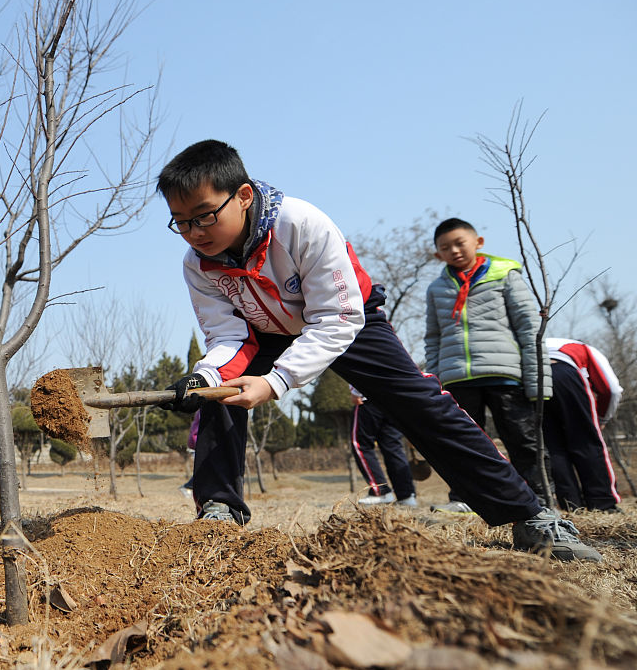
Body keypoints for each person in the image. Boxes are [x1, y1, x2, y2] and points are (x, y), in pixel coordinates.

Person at [157, 139, 599, 561]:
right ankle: (219, 510)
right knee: (218, 393)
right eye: (180, 222)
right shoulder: (197, 264)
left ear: (244, 196)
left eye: (205, 215)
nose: (194, 233)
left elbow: (335, 319)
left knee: (418, 401)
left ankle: (529, 514)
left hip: (346, 316)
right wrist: (206, 378)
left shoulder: (301, 224)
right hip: (266, 331)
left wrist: (276, 382)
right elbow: (228, 337)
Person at [423, 218, 551, 515]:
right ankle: (465, 497)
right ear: (437, 255)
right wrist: (435, 381)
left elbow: (528, 328)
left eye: (459, 243)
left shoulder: (505, 275)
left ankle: (540, 499)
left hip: (504, 375)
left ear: (478, 242)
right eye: (445, 247)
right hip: (457, 378)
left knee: (524, 440)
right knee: (462, 442)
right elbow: (433, 338)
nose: (454, 250)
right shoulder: (436, 288)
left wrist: (538, 382)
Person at [544, 337, 624, 512]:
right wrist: (602, 419)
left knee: (552, 447)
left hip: (532, 377)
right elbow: (610, 389)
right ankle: (603, 503)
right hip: (564, 373)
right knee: (586, 442)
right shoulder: (585, 348)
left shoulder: (540, 342)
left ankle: (571, 505)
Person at [349, 386, 417, 507]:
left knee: (360, 445)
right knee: (393, 447)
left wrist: (357, 391)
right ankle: (406, 495)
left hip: (368, 398)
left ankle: (380, 491)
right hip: (393, 399)